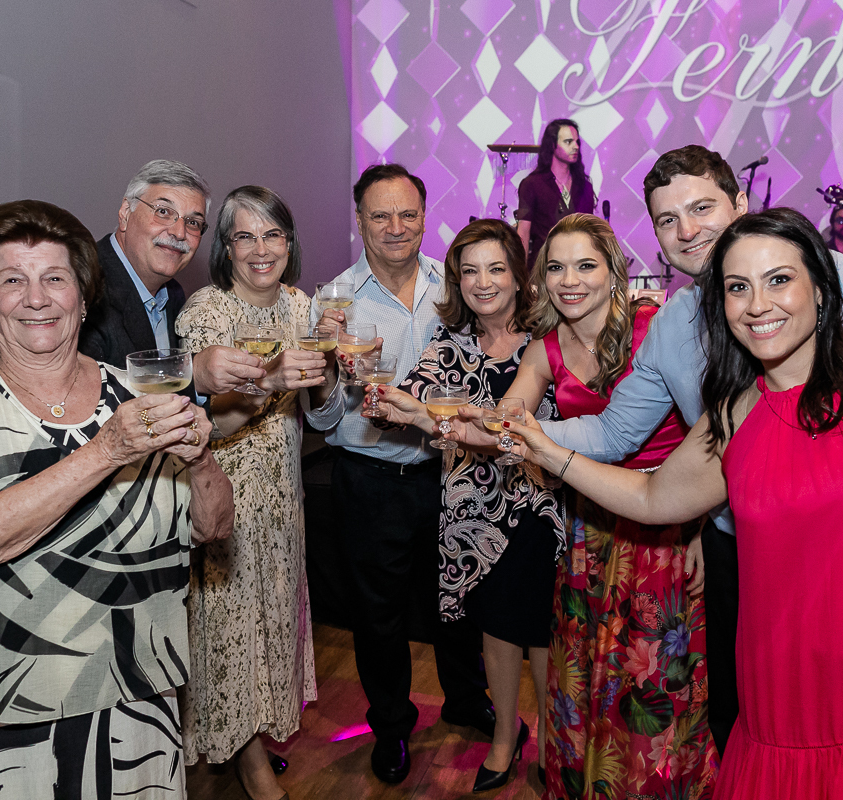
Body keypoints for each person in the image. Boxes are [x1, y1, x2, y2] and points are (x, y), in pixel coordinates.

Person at [460, 144, 843, 758]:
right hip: (740, 551)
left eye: (702, 208)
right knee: (745, 717)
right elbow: (614, 435)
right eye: (667, 220)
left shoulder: (827, 278)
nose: (687, 231)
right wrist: (520, 429)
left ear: (740, 203)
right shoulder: (671, 327)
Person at [0, 200, 234, 798]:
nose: (36, 298)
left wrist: (200, 458)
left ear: (83, 297)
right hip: (2, 708)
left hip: (137, 696)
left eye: (55, 278)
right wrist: (106, 450)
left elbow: (214, 526)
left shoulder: (136, 393)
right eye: (13, 280)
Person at [456, 213, 717, 799]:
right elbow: (511, 420)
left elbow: (708, 429)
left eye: (585, 266)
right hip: (589, 527)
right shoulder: (545, 348)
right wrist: (434, 417)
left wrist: (701, 523)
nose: (569, 280)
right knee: (590, 665)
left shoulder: (656, 327)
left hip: (663, 525)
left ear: (613, 272)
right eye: (556, 267)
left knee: (651, 675)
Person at [303, 164, 494, 785]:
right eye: (380, 215)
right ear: (359, 221)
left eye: (407, 213)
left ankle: (466, 699)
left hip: (451, 471)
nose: (395, 227)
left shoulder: (454, 286)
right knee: (378, 614)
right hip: (370, 478)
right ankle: (391, 725)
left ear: (424, 216)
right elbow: (322, 417)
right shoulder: (334, 301)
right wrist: (328, 370)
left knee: (459, 597)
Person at [367, 219, 565, 791]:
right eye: (470, 271)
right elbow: (411, 402)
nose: (483, 282)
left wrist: (424, 416)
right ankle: (505, 735)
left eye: (496, 269)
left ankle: (551, 740)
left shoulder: (550, 338)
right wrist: (389, 404)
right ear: (456, 280)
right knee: (496, 630)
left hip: (542, 508)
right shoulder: (449, 344)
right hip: (473, 518)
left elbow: (536, 424)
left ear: (518, 276)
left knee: (543, 633)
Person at [176, 186, 337, 800]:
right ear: (226, 247)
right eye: (245, 236)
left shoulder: (301, 306)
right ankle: (246, 762)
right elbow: (207, 425)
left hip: (284, 499)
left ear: (289, 243)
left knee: (272, 625)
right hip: (226, 500)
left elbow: (323, 415)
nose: (260, 248)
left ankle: (252, 737)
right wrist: (271, 380)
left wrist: (331, 365)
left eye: (272, 234)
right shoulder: (207, 313)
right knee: (228, 631)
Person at [79, 159, 268, 399]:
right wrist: (194, 375)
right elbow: (89, 405)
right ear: (126, 213)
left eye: (193, 222)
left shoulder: (173, 295)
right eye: (163, 212)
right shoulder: (85, 290)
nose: (179, 232)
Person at [515, 118, 597, 269]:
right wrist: (520, 274)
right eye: (568, 142)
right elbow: (523, 232)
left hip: (578, 266)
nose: (575, 147)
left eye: (577, 142)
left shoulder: (585, 186)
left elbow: (590, 232)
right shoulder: (532, 184)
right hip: (543, 267)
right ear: (552, 145)